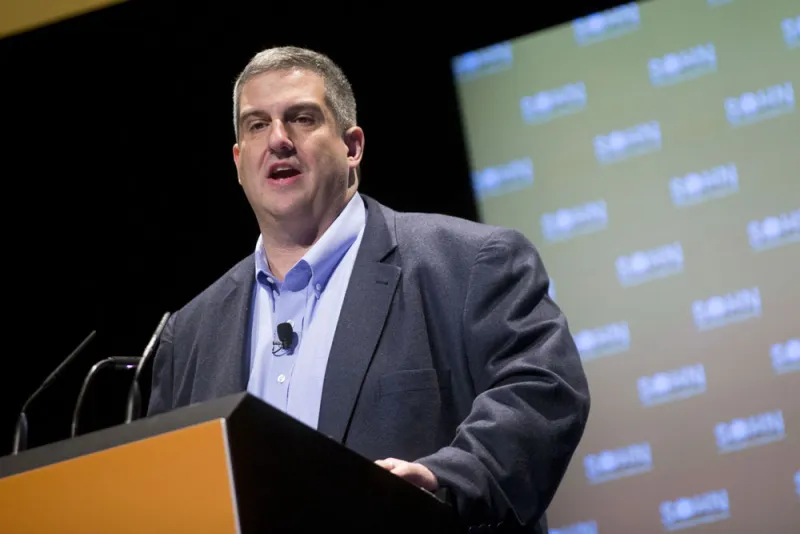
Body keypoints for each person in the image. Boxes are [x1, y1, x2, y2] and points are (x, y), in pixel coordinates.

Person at [147, 45, 590, 533]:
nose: (278, 140)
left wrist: (446, 478)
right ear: (238, 161)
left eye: (301, 118)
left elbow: (543, 391)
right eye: (256, 125)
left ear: (352, 146)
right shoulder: (188, 335)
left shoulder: (468, 263)